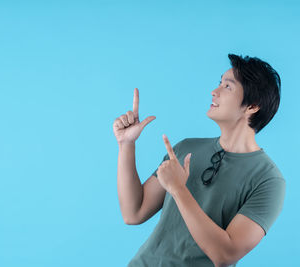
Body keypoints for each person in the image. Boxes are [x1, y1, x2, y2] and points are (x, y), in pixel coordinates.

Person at [113, 54, 286, 267]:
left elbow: (225, 254)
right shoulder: (186, 148)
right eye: (219, 83)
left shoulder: (268, 180)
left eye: (228, 86)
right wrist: (126, 145)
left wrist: (179, 189)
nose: (215, 92)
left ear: (253, 105)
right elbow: (133, 212)